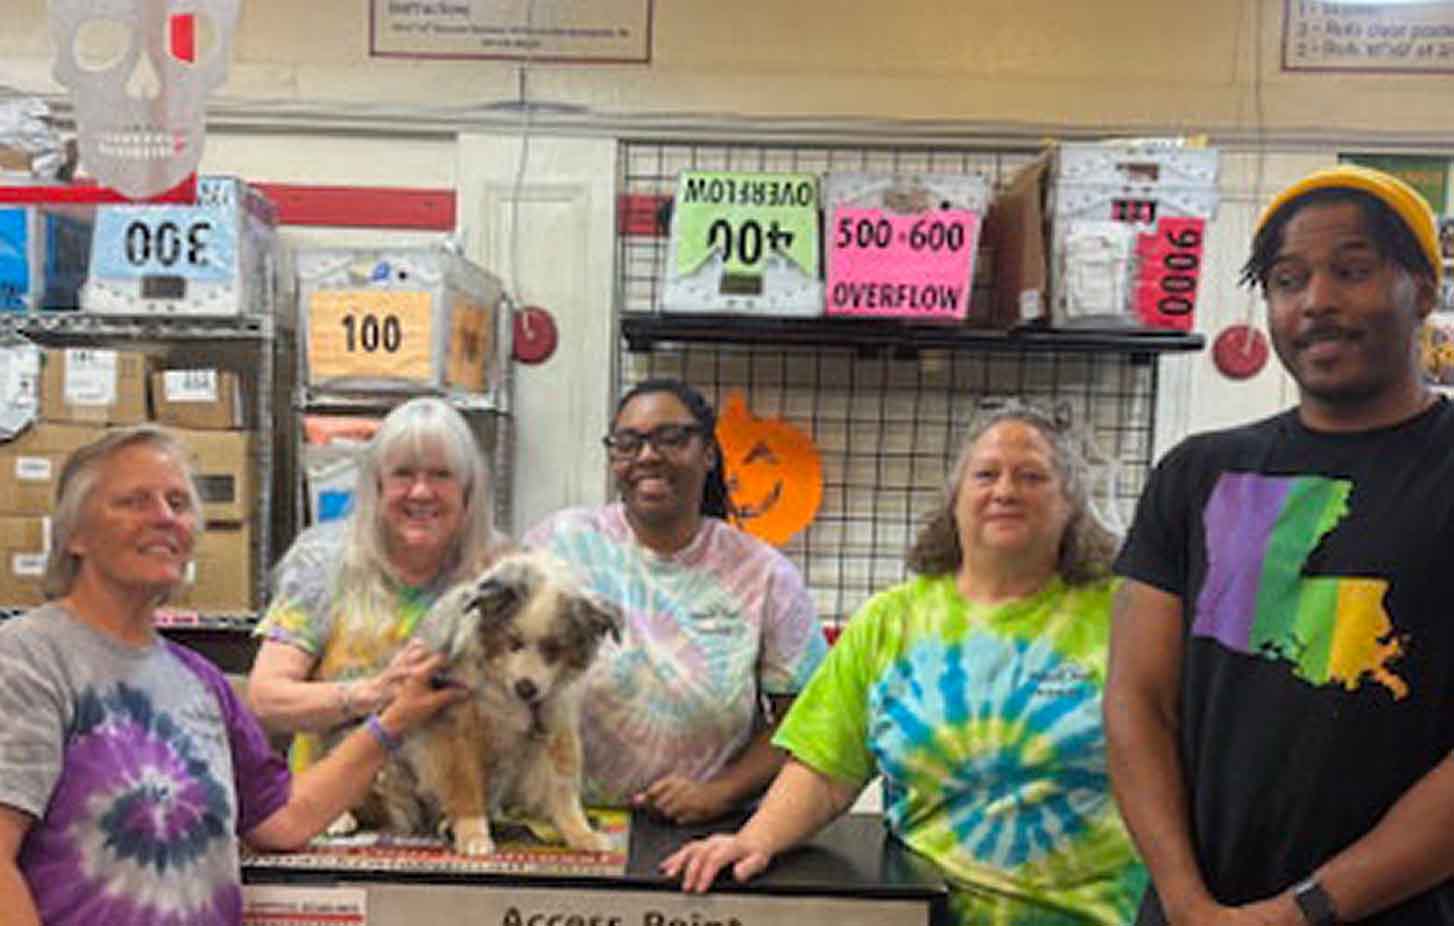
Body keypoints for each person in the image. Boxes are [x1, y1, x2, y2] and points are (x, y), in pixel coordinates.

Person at [1106, 164, 1454, 926]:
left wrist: (1304, 913)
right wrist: (1187, 902)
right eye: (1288, 281)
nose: (1318, 301)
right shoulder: (1196, 474)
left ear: (1423, 291)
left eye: (1353, 271)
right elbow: (1137, 701)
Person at [663, 403, 1147, 926]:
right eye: (986, 475)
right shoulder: (890, 621)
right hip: (926, 915)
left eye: (1032, 476)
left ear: (1070, 503)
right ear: (955, 500)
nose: (1005, 491)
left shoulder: (1132, 617)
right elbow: (826, 771)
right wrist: (753, 840)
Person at [0, 426, 466, 926]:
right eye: (134, 501)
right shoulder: (29, 660)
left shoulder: (198, 682)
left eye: (178, 503)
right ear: (74, 534)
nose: (163, 517)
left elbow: (283, 819)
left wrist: (395, 718)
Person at [523, 378, 829, 824]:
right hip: (561, 823)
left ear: (707, 453)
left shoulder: (762, 575)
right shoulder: (560, 545)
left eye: (671, 438)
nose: (647, 455)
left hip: (704, 834)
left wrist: (721, 792)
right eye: (629, 443)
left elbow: (804, 721)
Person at [249, 396, 505, 770]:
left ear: (468, 491)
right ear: (377, 486)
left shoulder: (497, 573)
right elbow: (265, 700)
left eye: (441, 475)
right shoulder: (322, 561)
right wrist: (373, 693)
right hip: (329, 806)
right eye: (403, 474)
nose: (421, 492)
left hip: (455, 805)